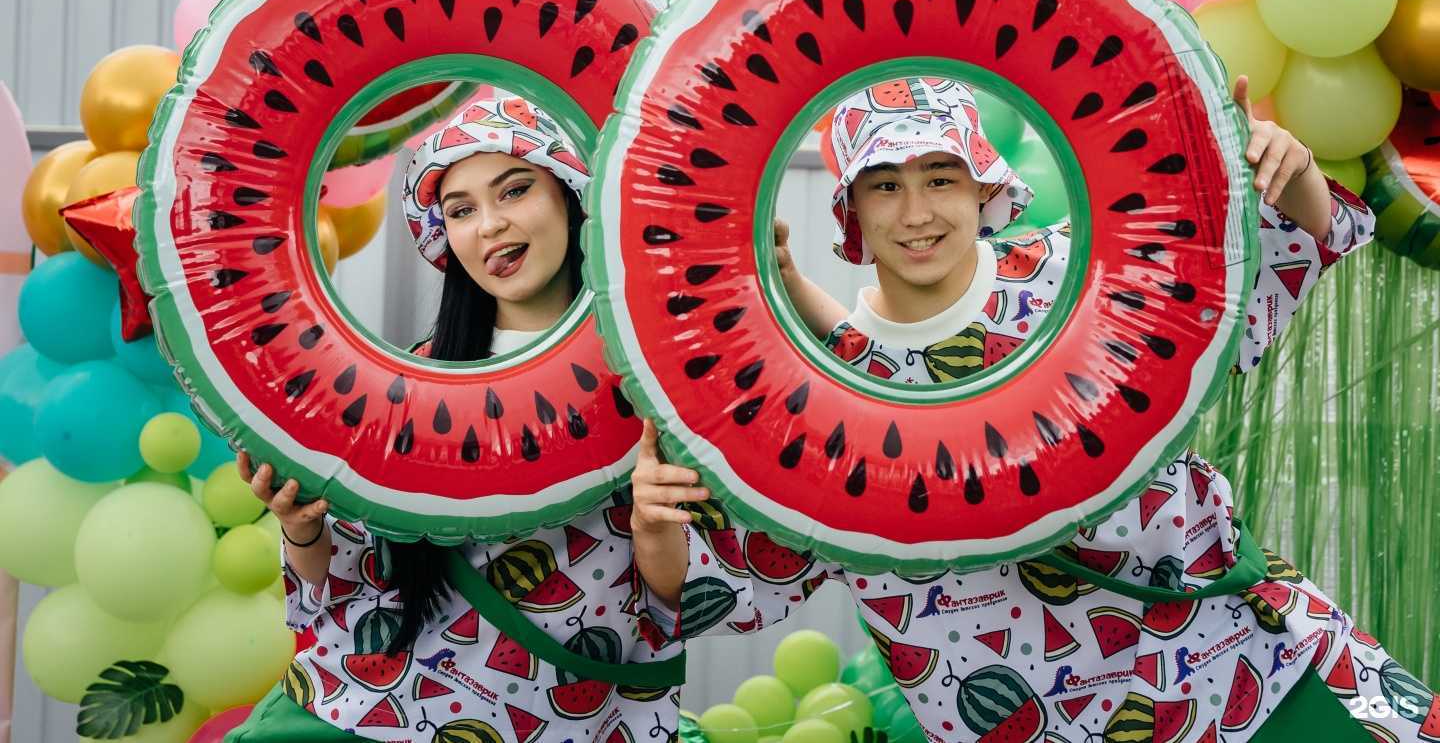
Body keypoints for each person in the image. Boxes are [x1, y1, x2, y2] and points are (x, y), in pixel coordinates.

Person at [632, 77, 1436, 742]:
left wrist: (1288, 170)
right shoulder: (820, 402)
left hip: (1247, 671)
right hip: (1042, 725)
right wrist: (652, 524)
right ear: (852, 211)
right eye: (885, 185)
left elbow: (1283, 251)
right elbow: (716, 583)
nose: (916, 213)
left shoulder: (1077, 270)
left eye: (939, 177)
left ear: (983, 183)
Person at [228, 98, 682, 743]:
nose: (490, 226)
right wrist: (300, 529)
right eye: (461, 210)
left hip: (575, 723)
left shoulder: (656, 380)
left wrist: (651, 527)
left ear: (571, 196)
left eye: (515, 190)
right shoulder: (407, 383)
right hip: (382, 714)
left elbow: (688, 599)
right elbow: (345, 585)